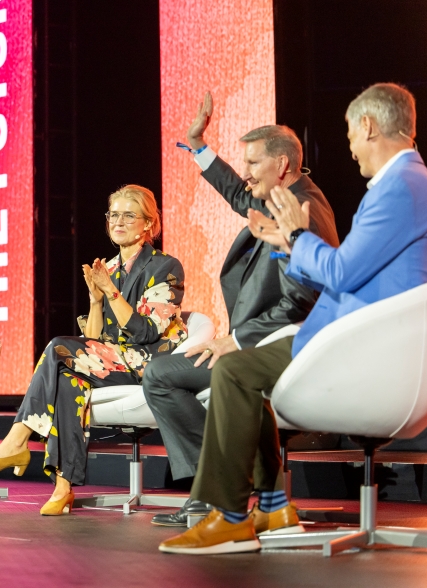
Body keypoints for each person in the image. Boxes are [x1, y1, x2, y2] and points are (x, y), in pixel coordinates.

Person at [160, 83, 427, 555]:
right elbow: (346, 268)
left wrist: (294, 234)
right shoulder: (408, 184)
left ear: (369, 126)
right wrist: (288, 241)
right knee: (237, 371)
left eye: (352, 135)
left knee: (234, 369)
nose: (351, 149)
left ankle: (232, 516)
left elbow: (338, 272)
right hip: (354, 338)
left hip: (363, 348)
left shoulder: (401, 188)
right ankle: (269, 505)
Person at [142, 93, 339, 526]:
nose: (245, 174)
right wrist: (198, 145)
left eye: (252, 164)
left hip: (278, 348)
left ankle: (217, 490)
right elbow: (237, 193)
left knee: (160, 375)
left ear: (281, 166)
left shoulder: (304, 210)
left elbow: (305, 299)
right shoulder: (281, 197)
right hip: (253, 344)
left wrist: (237, 340)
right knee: (159, 374)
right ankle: (214, 487)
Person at [0, 185, 188, 515]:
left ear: (148, 224)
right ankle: (64, 486)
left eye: (129, 215)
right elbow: (95, 339)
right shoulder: (108, 268)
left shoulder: (165, 266)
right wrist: (95, 300)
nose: (119, 221)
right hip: (112, 360)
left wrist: (110, 292)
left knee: (58, 348)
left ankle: (17, 439)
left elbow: (145, 332)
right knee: (70, 381)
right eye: (114, 214)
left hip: (150, 362)